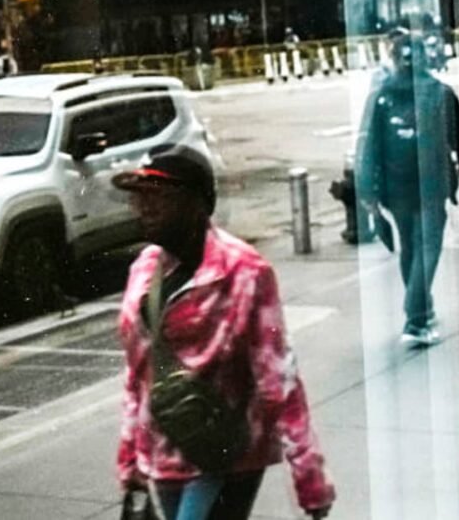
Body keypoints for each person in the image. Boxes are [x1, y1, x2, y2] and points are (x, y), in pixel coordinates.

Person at [113, 146, 334, 520]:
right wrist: (129, 458)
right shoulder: (145, 267)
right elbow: (138, 376)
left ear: (198, 204)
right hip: (162, 453)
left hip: (226, 455)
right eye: (141, 197)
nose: (145, 208)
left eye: (160, 197)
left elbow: (280, 381)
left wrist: (309, 479)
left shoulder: (245, 271)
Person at [354, 26, 459, 347]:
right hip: (432, 184)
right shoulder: (439, 93)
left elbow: (368, 145)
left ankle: (422, 310)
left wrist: (367, 190)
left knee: (410, 247)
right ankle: (416, 317)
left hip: (396, 189)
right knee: (428, 247)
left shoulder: (381, 97)